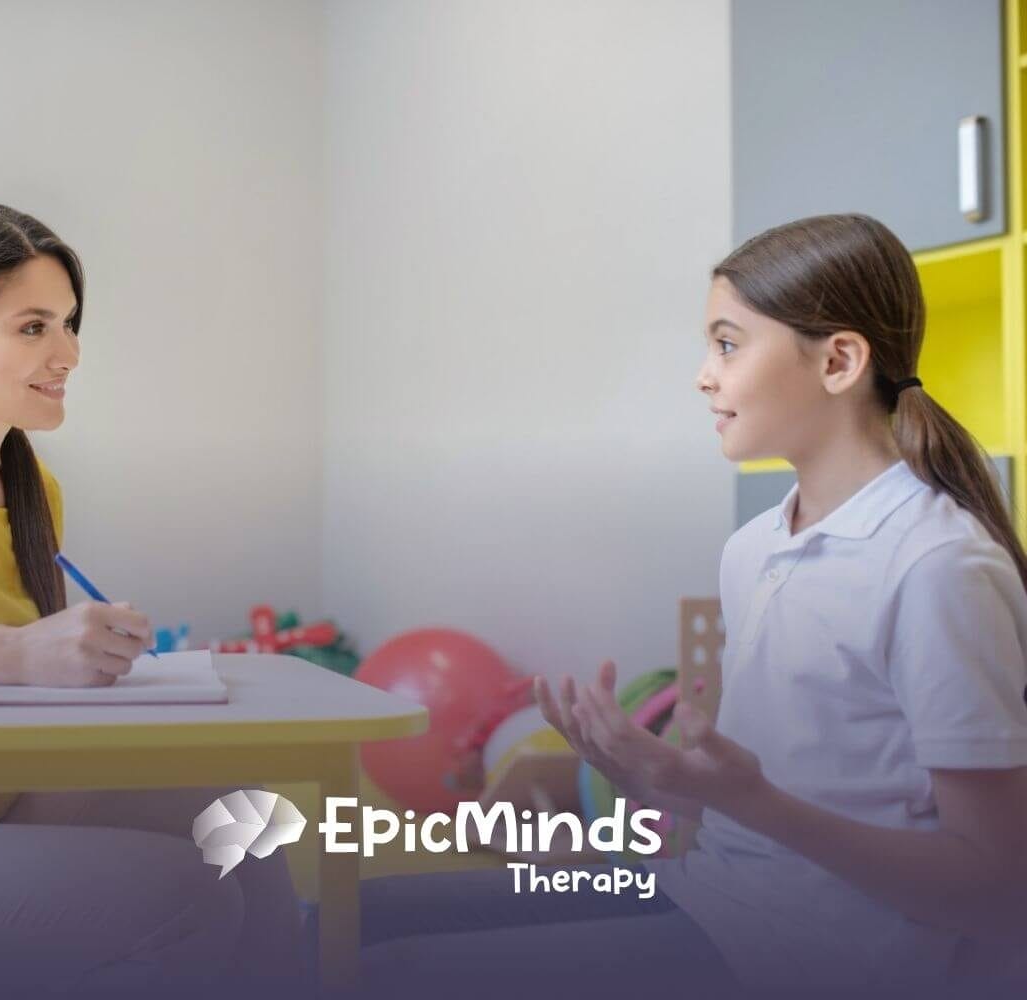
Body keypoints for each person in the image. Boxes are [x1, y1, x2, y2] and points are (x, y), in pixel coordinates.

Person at [349, 215, 1027, 995]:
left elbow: (995, 887)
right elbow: (768, 795)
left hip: (811, 953)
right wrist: (662, 777)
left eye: (728, 344)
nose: (704, 376)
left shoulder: (938, 566)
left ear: (839, 361)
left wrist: (756, 804)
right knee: (358, 914)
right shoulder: (755, 549)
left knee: (387, 974)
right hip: (703, 894)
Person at [0, 200, 304, 998]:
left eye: (70, 324)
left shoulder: (31, 487)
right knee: (179, 892)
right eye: (34, 327)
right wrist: (19, 651)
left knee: (247, 822)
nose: (70, 353)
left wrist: (84, 656)